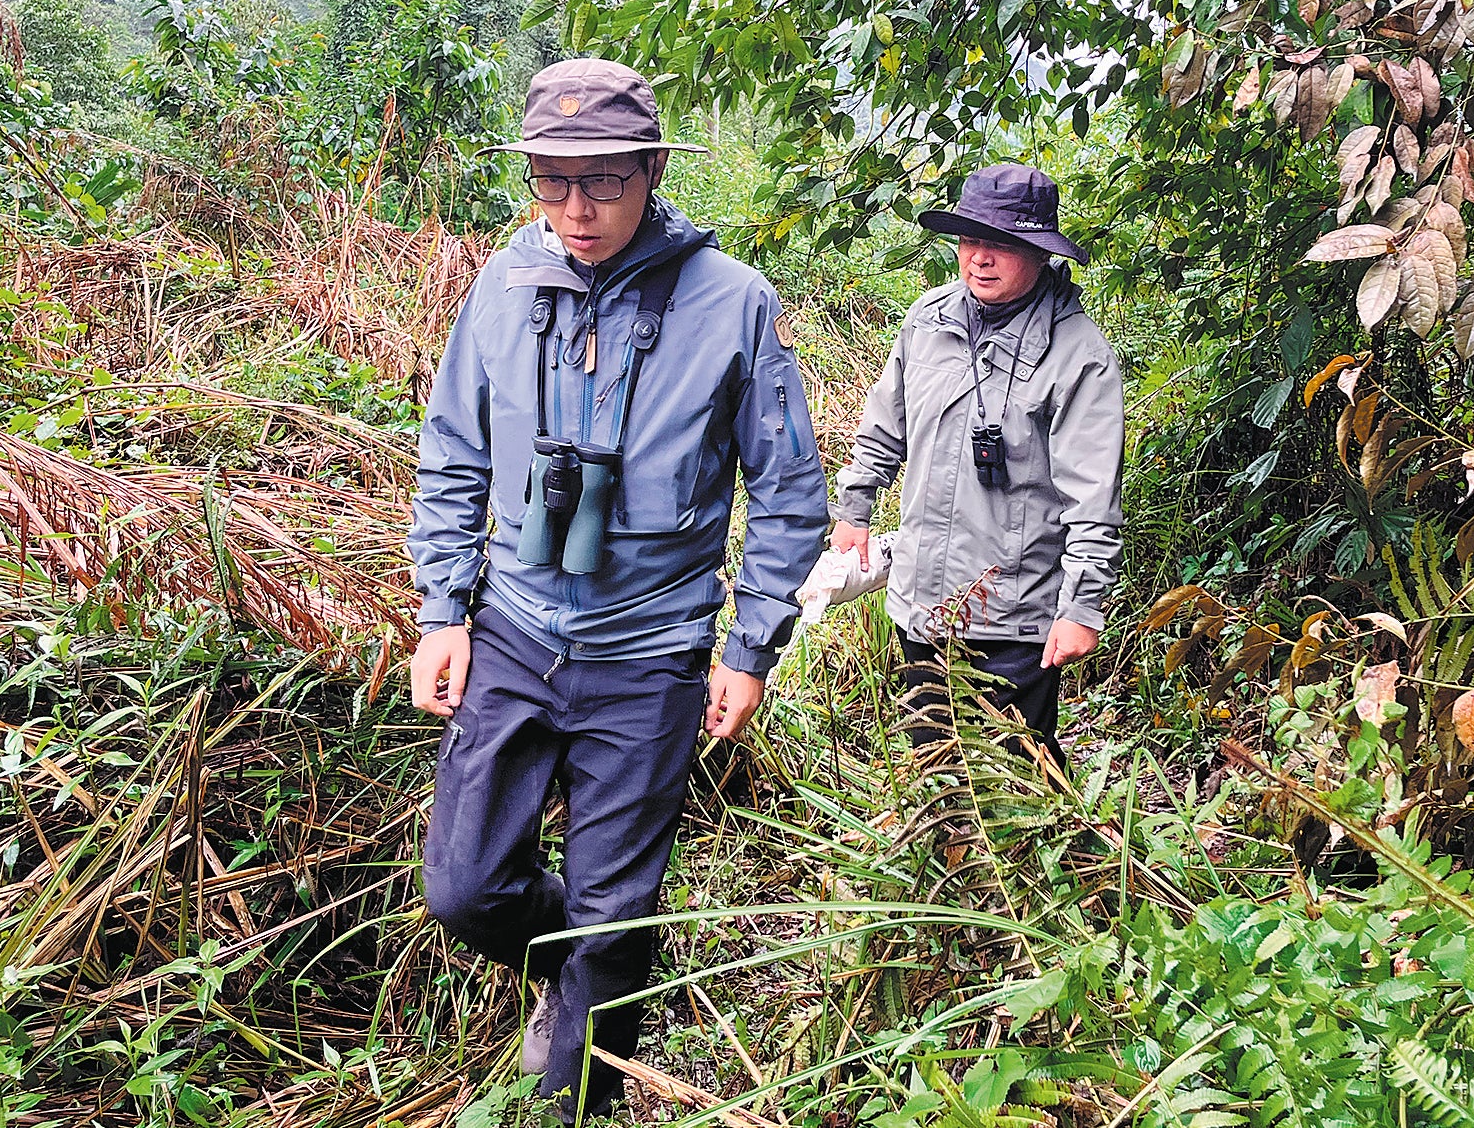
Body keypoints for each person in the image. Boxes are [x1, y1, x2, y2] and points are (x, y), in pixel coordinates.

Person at [406, 58, 828, 1122]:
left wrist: (748, 649)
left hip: (650, 653)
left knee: (609, 916)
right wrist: (442, 612)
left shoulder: (733, 303)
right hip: (513, 631)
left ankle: (576, 1098)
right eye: (551, 181)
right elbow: (453, 450)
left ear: (650, 170)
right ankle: (597, 950)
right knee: (462, 890)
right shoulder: (501, 286)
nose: (576, 210)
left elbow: (786, 494)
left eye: (602, 182)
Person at [829, 163, 1125, 767]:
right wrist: (855, 505)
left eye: (1002, 243)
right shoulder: (927, 321)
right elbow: (887, 424)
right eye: (970, 239)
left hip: (1016, 616)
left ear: (1040, 252)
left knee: (1015, 785)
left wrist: (1081, 608)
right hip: (922, 603)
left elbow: (1093, 499)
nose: (979, 258)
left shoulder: (1079, 357)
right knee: (933, 775)